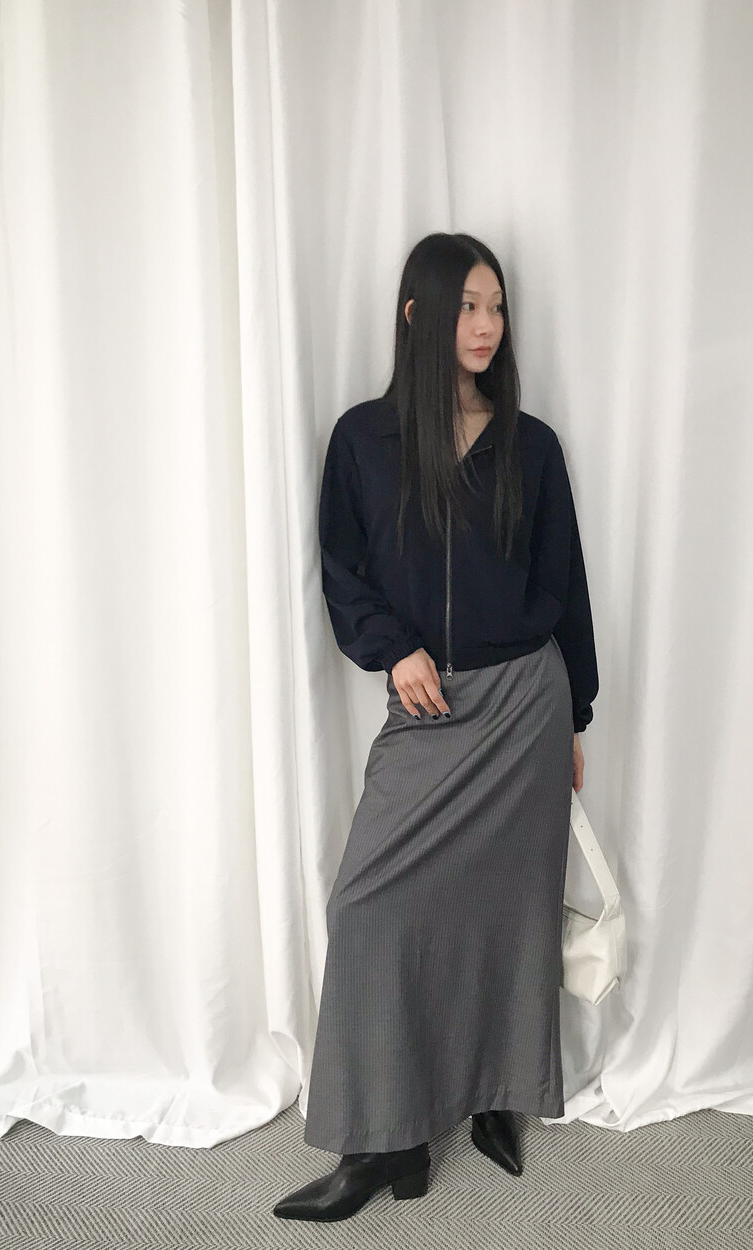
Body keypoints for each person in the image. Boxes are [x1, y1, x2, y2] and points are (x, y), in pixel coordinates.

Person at [273, 232, 599, 1222]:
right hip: (428, 709)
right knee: (366, 908)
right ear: (418, 314)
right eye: (467, 305)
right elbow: (343, 571)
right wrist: (393, 648)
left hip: (526, 707)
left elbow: (564, 583)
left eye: (496, 306)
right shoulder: (364, 440)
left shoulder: (530, 444)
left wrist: (575, 714)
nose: (486, 325)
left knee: (509, 918)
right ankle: (384, 1142)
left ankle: (498, 1097)